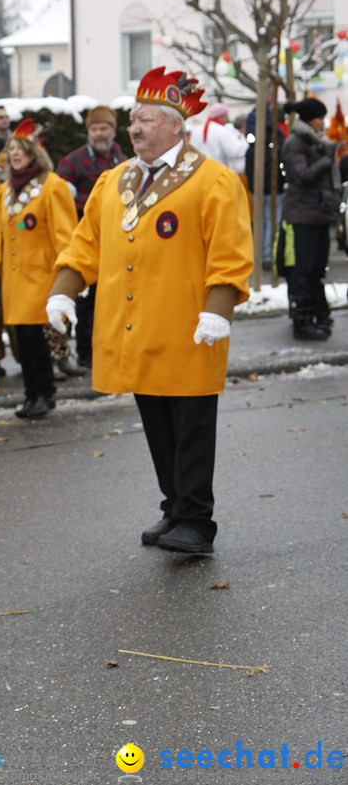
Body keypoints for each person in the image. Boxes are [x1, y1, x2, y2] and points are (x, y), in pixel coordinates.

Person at [47, 67, 253, 555]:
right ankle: (174, 507)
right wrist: (63, 289)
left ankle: (197, 521)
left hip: (187, 326)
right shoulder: (114, 181)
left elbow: (231, 253)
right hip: (134, 328)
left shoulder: (214, 181)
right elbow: (85, 245)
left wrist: (219, 308)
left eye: (146, 120)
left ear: (177, 126)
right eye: (132, 120)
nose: (134, 129)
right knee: (158, 424)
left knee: (192, 427)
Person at [0, 119, 77, 418]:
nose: (14, 154)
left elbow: (65, 235)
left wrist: (67, 280)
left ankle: (45, 393)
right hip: (14, 279)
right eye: (11, 149)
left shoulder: (52, 186)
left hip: (41, 277)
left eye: (20, 148)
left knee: (38, 340)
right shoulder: (5, 190)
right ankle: (31, 394)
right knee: (22, 340)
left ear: (34, 152)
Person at [56, 105, 125, 368]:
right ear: (88, 132)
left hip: (117, 241)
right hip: (86, 239)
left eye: (104, 128)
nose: (99, 133)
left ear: (113, 130)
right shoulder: (72, 162)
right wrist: (96, 204)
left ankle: (110, 348)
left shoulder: (121, 158)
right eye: (95, 129)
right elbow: (60, 200)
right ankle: (86, 354)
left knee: (111, 299)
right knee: (85, 301)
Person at [279, 97, 341, 341]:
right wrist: (326, 159)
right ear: (308, 119)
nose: (322, 123)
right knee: (304, 270)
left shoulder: (314, 141)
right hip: (303, 216)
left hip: (318, 214)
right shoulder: (295, 143)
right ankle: (302, 322)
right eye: (319, 118)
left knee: (316, 270)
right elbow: (302, 175)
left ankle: (319, 315)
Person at [245, 106, 286, 270]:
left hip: (261, 189)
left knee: (261, 222)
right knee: (271, 222)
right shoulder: (276, 144)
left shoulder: (253, 146)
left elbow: (249, 169)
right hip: (272, 190)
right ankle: (268, 255)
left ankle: (260, 254)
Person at [189, 102, 247, 172]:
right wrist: (243, 141)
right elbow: (234, 152)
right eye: (226, 115)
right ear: (222, 116)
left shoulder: (197, 130)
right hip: (218, 172)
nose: (227, 118)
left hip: (200, 171)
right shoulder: (223, 130)